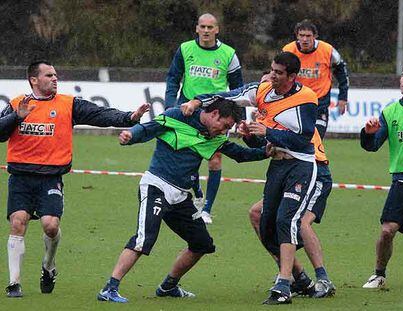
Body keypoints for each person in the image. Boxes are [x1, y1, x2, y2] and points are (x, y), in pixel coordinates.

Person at [97, 98, 271, 303]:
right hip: (156, 187)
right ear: (214, 114)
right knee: (144, 239)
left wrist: (266, 152)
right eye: (224, 126)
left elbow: (241, 154)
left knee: (202, 243)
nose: (224, 131)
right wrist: (130, 135)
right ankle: (110, 288)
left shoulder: (214, 137)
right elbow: (147, 129)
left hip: (180, 196)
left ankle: (168, 286)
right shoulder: (177, 116)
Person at [0, 60, 150, 298]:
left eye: (55, 75)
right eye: (49, 75)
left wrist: (129, 118)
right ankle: (14, 283)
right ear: (34, 80)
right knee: (18, 222)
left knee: (51, 226)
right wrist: (16, 118)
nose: (55, 78)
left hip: (50, 178)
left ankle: (48, 267)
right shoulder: (18, 104)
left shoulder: (68, 104)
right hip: (21, 176)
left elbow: (100, 114)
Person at [182, 51, 318, 305]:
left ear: (291, 76)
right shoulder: (262, 90)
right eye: (271, 69)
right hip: (277, 166)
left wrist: (269, 132)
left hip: (300, 166)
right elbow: (226, 96)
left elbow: (303, 139)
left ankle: (283, 285)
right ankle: (302, 279)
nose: (272, 75)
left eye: (278, 72)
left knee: (284, 220)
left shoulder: (306, 99)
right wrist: (199, 103)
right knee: (266, 227)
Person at [165, 13, 244, 224]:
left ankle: (206, 209)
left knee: (215, 159)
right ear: (197, 28)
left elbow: (239, 89)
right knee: (184, 156)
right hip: (188, 111)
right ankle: (196, 190)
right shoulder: (185, 49)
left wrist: (240, 119)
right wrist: (169, 104)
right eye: (203, 27)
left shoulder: (229, 54)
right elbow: (173, 77)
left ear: (217, 29)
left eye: (210, 27)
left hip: (218, 114)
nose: (206, 31)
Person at [244, 126, 335, 299]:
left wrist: (267, 132)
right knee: (256, 213)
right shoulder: (272, 112)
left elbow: (292, 140)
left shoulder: (296, 112)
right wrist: (249, 137)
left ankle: (323, 279)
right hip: (289, 171)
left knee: (300, 222)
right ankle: (296, 276)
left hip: (314, 170)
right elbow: (267, 146)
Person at [360, 60, 403, 289]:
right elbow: (371, 146)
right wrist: (367, 133)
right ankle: (379, 274)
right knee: (386, 231)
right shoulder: (390, 111)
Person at [283, 19, 349, 138]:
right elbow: (278, 74)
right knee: (293, 142)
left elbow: (342, 72)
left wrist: (343, 97)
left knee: (316, 140)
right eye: (301, 35)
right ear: (297, 36)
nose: (304, 39)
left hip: (319, 103)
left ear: (315, 36)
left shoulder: (327, 50)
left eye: (308, 36)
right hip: (294, 103)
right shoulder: (288, 50)